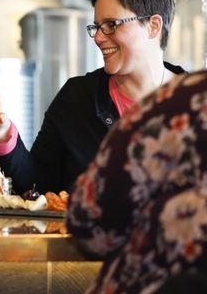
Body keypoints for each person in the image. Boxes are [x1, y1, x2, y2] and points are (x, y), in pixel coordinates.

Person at [0, 0, 185, 194]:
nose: (98, 37)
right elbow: (36, 186)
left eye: (111, 25)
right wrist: (5, 138)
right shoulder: (77, 96)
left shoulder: (196, 102)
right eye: (97, 26)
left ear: (153, 26)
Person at [67, 70, 207, 293]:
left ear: (154, 32)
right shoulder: (78, 93)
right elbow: (36, 176)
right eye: (97, 30)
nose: (99, 37)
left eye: (114, 30)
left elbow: (88, 221)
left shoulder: (182, 98)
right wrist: (7, 144)